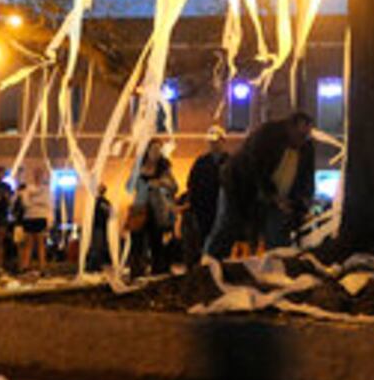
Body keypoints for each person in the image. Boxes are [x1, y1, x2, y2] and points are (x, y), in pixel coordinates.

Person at [205, 111, 315, 257]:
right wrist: (273, 196)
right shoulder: (267, 135)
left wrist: (300, 203)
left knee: (278, 232)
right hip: (239, 187)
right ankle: (211, 261)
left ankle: (277, 262)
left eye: (306, 136)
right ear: (290, 127)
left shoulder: (306, 147)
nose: (302, 141)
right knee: (228, 225)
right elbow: (256, 168)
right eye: (300, 135)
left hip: (276, 197)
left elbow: (306, 178)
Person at [181, 125, 228, 265]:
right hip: (203, 210)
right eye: (211, 142)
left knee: (221, 240)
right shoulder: (201, 163)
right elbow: (192, 184)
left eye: (216, 142)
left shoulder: (230, 162)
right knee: (203, 239)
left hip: (223, 209)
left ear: (223, 141)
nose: (213, 145)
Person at [130, 139, 178, 276]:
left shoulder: (164, 168)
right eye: (153, 149)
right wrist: (138, 181)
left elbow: (174, 187)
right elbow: (129, 186)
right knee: (137, 241)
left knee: (156, 239)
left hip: (157, 208)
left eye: (158, 150)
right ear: (148, 151)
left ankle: (158, 269)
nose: (156, 153)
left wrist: (162, 183)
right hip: (140, 208)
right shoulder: (139, 166)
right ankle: (137, 270)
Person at [15, 173, 54, 275]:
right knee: (29, 243)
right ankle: (25, 266)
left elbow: (48, 203)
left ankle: (42, 267)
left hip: (40, 217)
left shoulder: (46, 190)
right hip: (29, 217)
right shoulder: (28, 189)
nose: (38, 178)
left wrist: (49, 217)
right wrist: (38, 202)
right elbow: (25, 203)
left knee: (41, 243)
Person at [85, 183, 113, 272]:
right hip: (99, 227)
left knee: (97, 247)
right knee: (97, 247)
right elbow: (110, 214)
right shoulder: (100, 202)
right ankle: (93, 265)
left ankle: (94, 265)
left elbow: (110, 213)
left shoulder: (99, 202)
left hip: (99, 227)